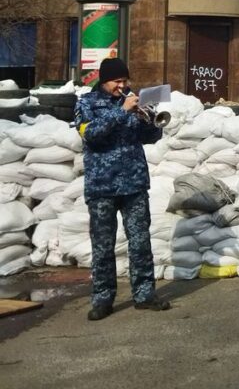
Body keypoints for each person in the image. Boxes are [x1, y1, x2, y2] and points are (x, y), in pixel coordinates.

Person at [75, 57, 170, 321]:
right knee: (103, 246)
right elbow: (90, 134)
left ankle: (144, 294)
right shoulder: (87, 103)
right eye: (117, 81)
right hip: (102, 185)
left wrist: (150, 118)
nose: (122, 85)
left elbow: (149, 138)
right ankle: (103, 299)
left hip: (134, 184)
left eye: (125, 80)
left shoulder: (131, 102)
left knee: (140, 242)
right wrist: (122, 112)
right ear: (104, 81)